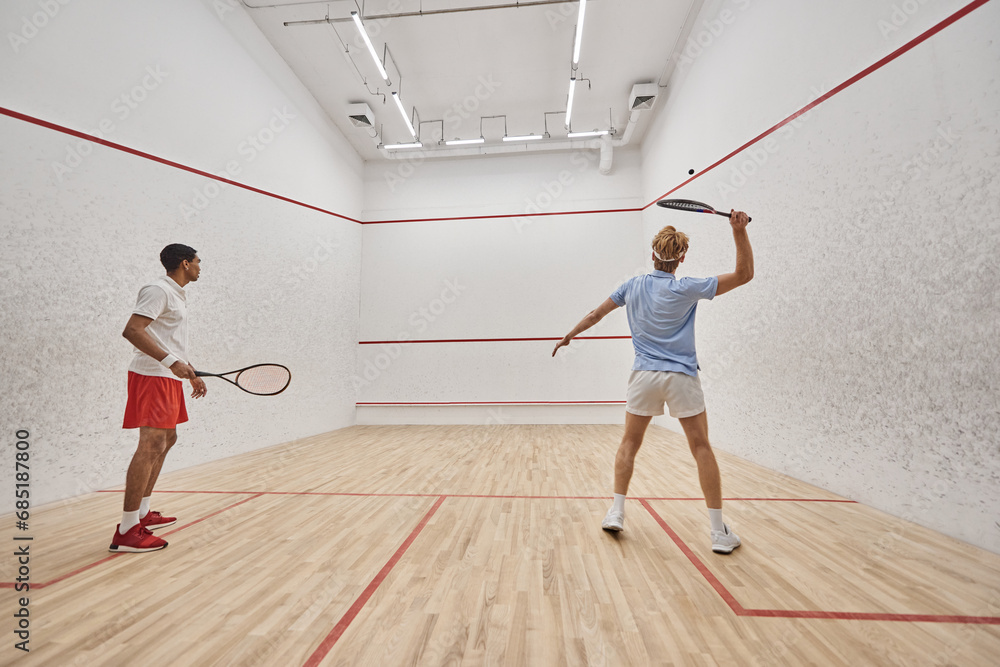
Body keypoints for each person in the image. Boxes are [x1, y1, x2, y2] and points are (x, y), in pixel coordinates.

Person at [552, 211, 753, 553]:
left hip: (643, 376)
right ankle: (719, 533)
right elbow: (744, 275)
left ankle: (616, 512)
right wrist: (738, 231)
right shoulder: (689, 287)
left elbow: (595, 315)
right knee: (701, 447)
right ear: (682, 258)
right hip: (682, 377)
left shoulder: (632, 286)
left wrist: (570, 334)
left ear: (653, 255)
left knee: (629, 443)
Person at [109, 244, 207, 553]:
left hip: (167, 377)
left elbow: (169, 339)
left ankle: (143, 512)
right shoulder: (157, 290)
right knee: (150, 444)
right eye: (197, 262)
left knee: (168, 440)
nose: (200, 267)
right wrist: (171, 363)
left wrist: (188, 370)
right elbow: (133, 331)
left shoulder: (177, 294)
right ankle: (126, 530)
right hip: (152, 376)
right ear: (184, 263)